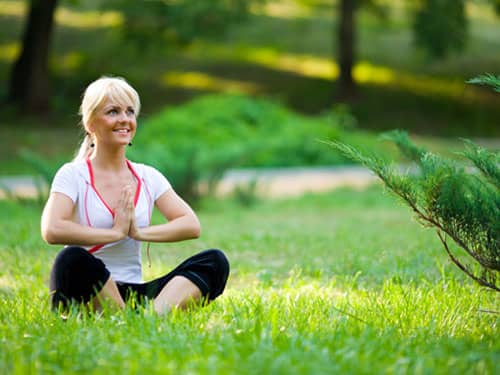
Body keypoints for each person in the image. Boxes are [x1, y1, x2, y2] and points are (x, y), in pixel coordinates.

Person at [41, 76, 229, 314]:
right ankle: (130, 318)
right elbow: (52, 229)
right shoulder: (73, 175)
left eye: (130, 112)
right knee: (71, 258)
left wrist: (139, 233)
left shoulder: (147, 176)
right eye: (113, 112)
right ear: (90, 123)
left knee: (214, 261)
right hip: (90, 286)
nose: (124, 120)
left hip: (135, 294)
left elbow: (191, 224)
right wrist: (114, 233)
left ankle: (146, 318)